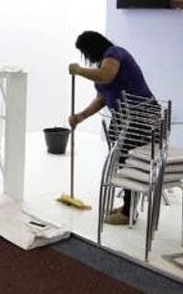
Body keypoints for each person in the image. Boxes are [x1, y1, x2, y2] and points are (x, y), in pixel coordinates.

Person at [68, 30, 155, 226]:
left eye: (84, 51)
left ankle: (128, 212)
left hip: (141, 115)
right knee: (122, 161)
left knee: (129, 161)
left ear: (92, 47)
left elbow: (106, 76)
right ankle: (128, 207)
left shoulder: (115, 53)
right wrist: (80, 116)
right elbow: (102, 98)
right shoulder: (103, 62)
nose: (85, 56)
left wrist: (79, 70)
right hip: (125, 117)